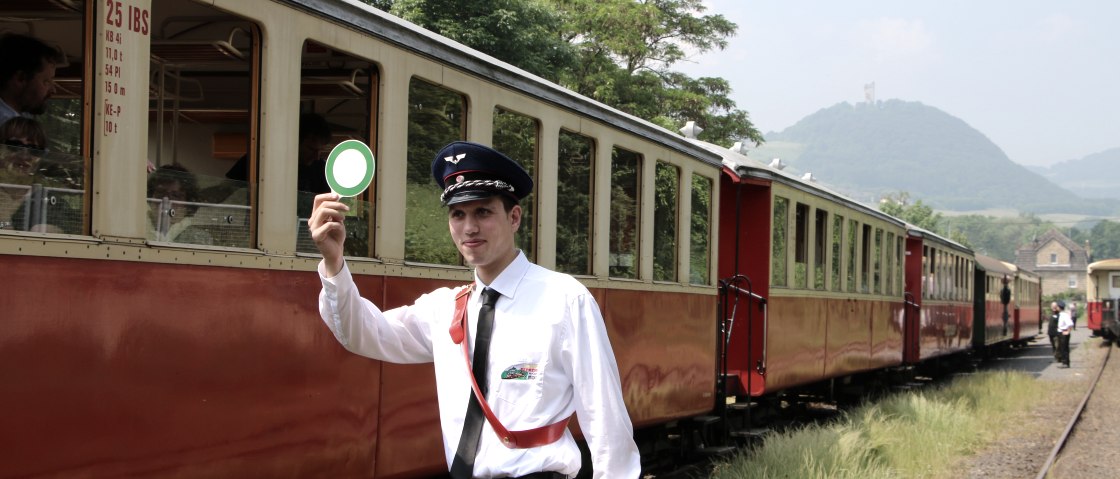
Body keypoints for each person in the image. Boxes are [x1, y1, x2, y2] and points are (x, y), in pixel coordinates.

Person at [309, 141, 641, 478]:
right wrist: (333, 262)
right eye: (458, 214)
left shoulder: (564, 300)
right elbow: (363, 333)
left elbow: (605, 421)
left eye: (482, 212)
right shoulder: (444, 309)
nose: (469, 227)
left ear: (514, 217)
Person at [225, 112, 332, 217]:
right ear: (294, 141)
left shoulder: (321, 169)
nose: (316, 156)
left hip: (305, 232)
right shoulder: (261, 159)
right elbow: (227, 187)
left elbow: (328, 205)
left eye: (320, 151)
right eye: (311, 149)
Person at [0, 33, 65, 126]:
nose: (53, 90)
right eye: (46, 82)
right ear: (21, 78)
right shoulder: (7, 130)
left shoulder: (22, 119)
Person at [147, 164, 213, 245]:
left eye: (175, 195)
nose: (166, 201)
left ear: (187, 204)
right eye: (160, 193)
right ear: (151, 197)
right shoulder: (138, 231)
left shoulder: (199, 238)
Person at [1057, 302, 1073, 368]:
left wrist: (1068, 331)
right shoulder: (1061, 315)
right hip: (1061, 332)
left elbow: (1070, 324)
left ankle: (1065, 363)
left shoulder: (1064, 315)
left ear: (1059, 307)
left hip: (1064, 333)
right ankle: (1064, 362)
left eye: (1057, 306)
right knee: (1062, 348)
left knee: (1064, 348)